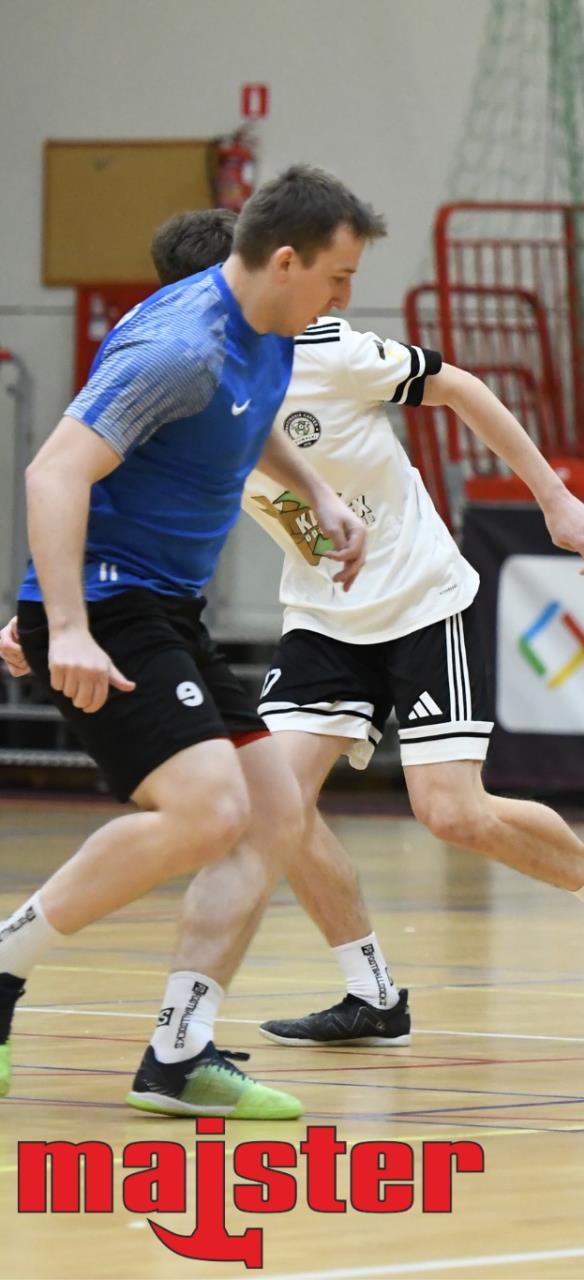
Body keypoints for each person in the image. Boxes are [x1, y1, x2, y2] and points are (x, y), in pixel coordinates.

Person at [8, 208, 584, 1052]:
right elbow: (99, 488)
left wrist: (553, 497)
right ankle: (371, 993)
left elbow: (462, 387)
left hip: (419, 598)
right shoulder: (185, 366)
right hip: (323, 612)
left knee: (451, 812)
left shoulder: (327, 349)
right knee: (277, 807)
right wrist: (47, 612)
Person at [0, 166, 378, 1118]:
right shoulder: (182, 349)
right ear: (285, 260)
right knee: (210, 811)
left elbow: (243, 423)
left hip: (168, 610)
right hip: (109, 608)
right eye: (337, 277)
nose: (345, 297)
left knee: (275, 812)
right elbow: (54, 474)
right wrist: (63, 623)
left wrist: (318, 492)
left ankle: (179, 1054)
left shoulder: (268, 328)